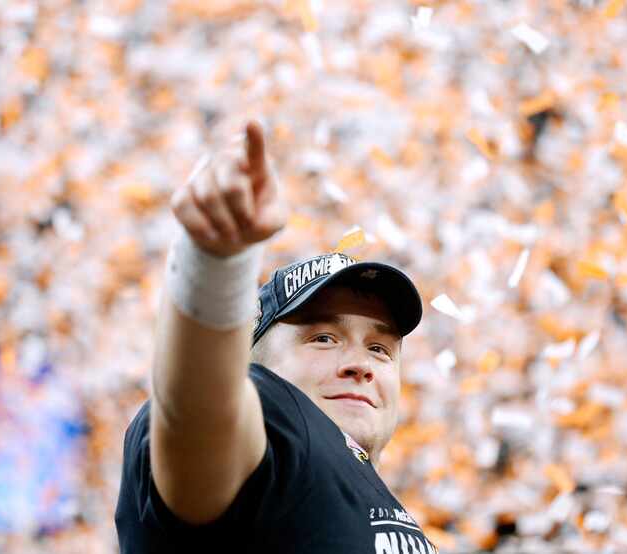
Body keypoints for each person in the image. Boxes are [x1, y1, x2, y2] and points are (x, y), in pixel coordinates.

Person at [115, 121, 436, 553]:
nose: (360, 363)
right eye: (323, 338)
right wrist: (215, 265)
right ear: (254, 362)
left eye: (380, 349)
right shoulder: (271, 419)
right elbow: (204, 409)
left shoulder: (362, 494)